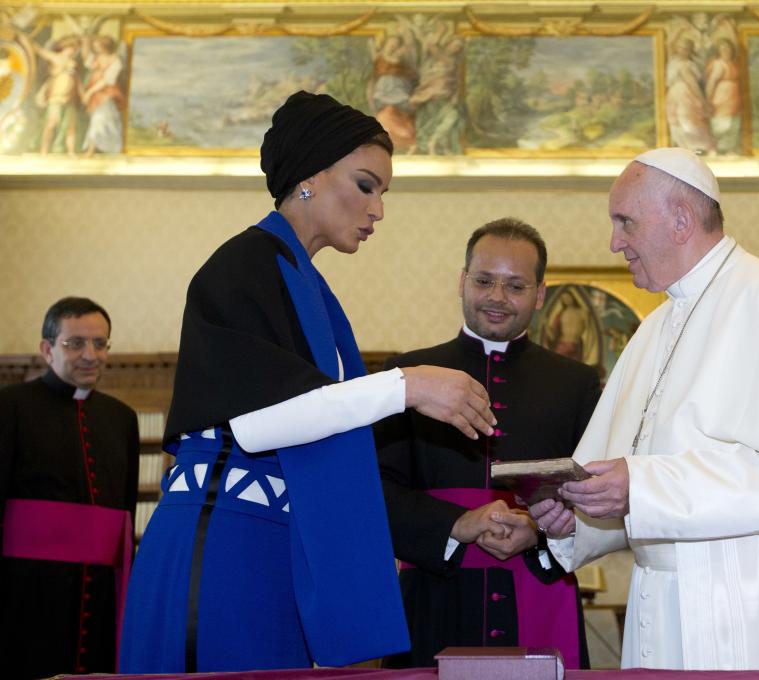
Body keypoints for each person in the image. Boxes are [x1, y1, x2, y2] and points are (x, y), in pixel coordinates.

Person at [119, 91, 496, 673]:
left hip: (273, 544)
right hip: (226, 541)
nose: (379, 209)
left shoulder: (308, 285)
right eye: (366, 184)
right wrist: (406, 385)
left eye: (384, 193)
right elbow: (257, 422)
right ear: (311, 177)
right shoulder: (243, 266)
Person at [530, 147, 759, 670]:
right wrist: (576, 517)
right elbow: (627, 477)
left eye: (625, 222)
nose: (614, 243)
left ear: (680, 220)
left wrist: (639, 487)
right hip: (669, 602)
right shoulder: (652, 330)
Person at [376, 218, 601, 669]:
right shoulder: (410, 374)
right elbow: (375, 489)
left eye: (515, 286)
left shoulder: (576, 383)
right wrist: (458, 523)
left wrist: (538, 529)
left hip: (540, 585)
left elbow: (600, 493)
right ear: (462, 281)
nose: (497, 297)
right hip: (435, 593)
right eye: (484, 281)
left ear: (539, 294)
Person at [1, 297, 139, 679]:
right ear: (47, 349)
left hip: (101, 588)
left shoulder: (121, 418)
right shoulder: (10, 406)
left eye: (100, 343)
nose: (90, 355)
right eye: (74, 343)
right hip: (27, 587)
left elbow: (125, 515)